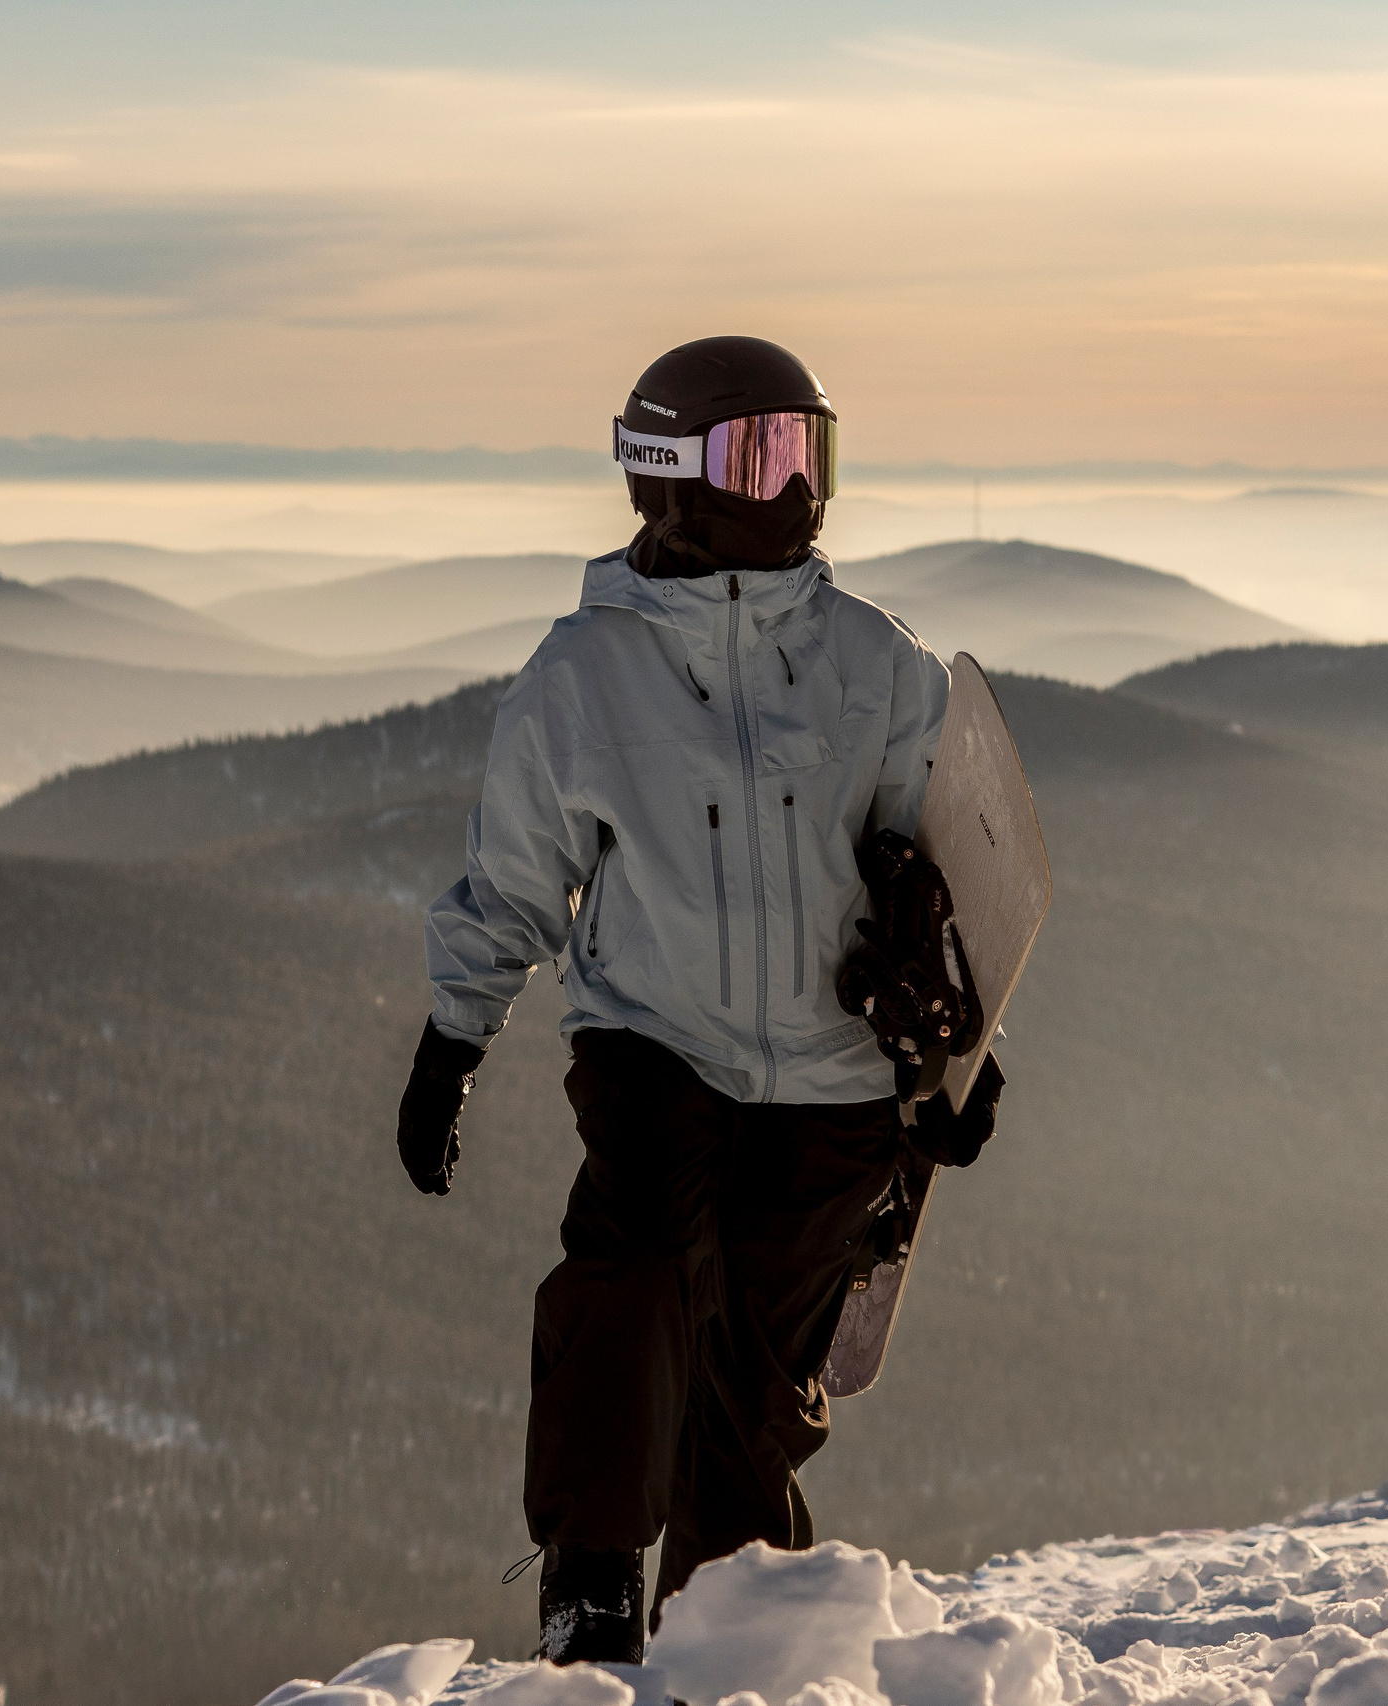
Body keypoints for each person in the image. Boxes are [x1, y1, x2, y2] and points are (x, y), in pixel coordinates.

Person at [393, 335, 1003, 1664]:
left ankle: (728, 1649)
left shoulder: (875, 662)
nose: (794, 489)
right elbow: (515, 882)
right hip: (654, 1045)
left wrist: (956, 1062)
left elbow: (938, 884)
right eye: (758, 453)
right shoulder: (584, 677)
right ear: (667, 475)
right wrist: (451, 1042)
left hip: (833, 1080)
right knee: (631, 1280)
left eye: (809, 451)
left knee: (751, 1401)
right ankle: (592, 1580)